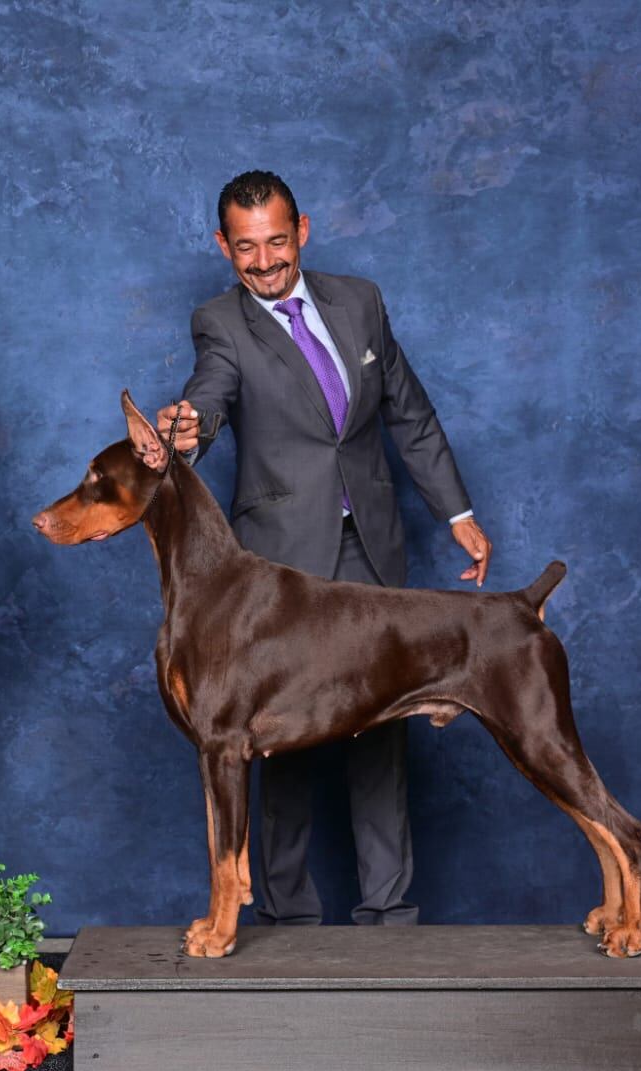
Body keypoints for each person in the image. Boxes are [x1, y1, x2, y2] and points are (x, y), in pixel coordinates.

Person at [156, 170, 491, 926]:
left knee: (385, 731)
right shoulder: (219, 323)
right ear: (223, 247)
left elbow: (410, 414)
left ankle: (389, 911)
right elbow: (208, 394)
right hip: (280, 566)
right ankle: (290, 917)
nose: (265, 261)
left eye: (277, 241)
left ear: (302, 230)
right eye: (246, 248)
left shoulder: (360, 302)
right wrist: (189, 427)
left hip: (373, 550)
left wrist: (458, 512)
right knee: (281, 745)